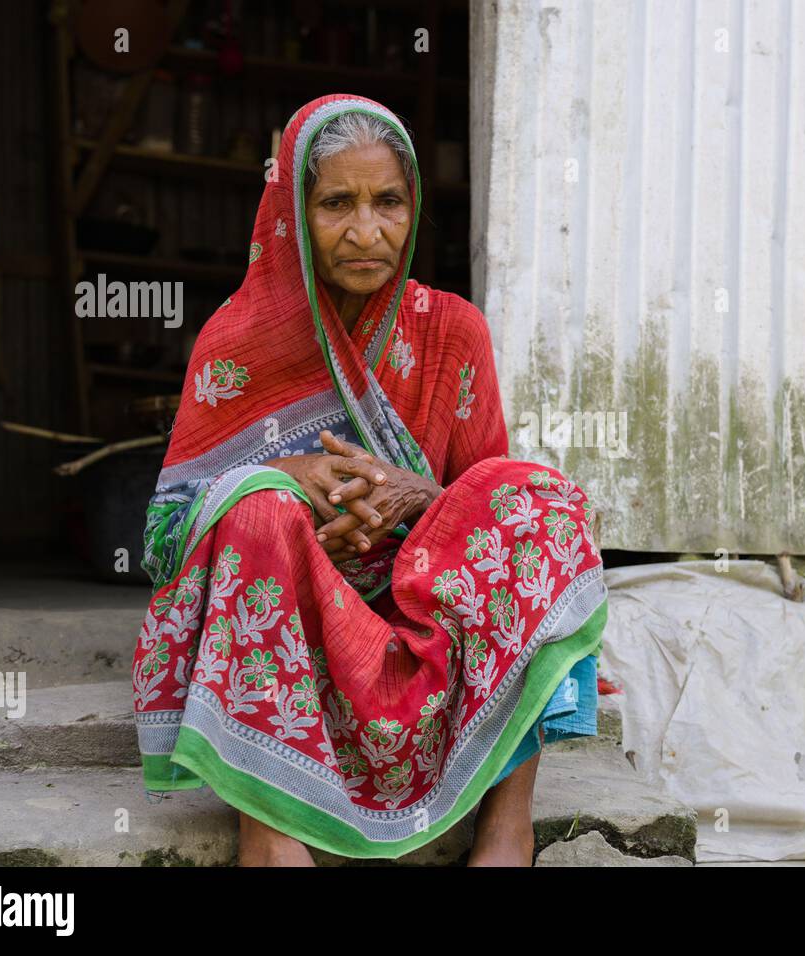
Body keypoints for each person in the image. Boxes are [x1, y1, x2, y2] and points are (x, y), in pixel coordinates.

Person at [133, 94, 607, 866]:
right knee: (255, 511)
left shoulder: (453, 329)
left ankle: (506, 823)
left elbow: (487, 501)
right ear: (293, 213)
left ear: (413, 207)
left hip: (426, 618)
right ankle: (270, 827)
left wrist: (412, 494)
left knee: (537, 500)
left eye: (388, 201)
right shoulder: (237, 341)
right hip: (296, 639)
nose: (365, 231)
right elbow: (161, 536)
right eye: (335, 204)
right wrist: (283, 475)